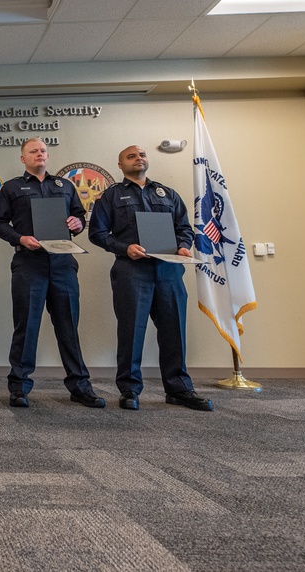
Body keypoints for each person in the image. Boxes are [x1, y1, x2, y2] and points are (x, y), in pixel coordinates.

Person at [88, 145, 213, 412]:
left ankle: (179, 388)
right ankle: (130, 389)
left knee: (174, 330)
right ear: (120, 165)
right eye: (131, 156)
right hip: (131, 271)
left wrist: (183, 245)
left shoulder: (168, 194)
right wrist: (124, 248)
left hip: (168, 271)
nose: (138, 159)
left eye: (142, 155)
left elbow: (184, 228)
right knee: (131, 331)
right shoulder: (111, 196)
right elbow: (97, 233)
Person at [0, 138, 104, 409]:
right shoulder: (11, 188)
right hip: (29, 264)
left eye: (42, 150)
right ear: (23, 159)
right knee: (26, 327)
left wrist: (77, 224)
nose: (39, 154)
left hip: (63, 264)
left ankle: (80, 386)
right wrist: (20, 239)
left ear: (47, 156)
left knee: (68, 328)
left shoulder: (64, 186)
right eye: (33, 151)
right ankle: (19, 387)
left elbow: (78, 219)